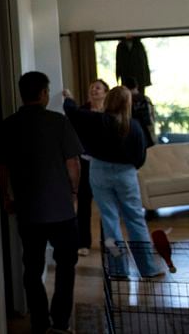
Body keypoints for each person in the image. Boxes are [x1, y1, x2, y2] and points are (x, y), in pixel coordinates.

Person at [0, 71, 82, 334]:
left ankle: (39, 323)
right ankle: (60, 322)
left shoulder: (8, 125)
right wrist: (74, 192)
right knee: (66, 266)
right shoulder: (59, 122)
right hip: (61, 209)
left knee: (32, 268)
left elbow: (2, 168)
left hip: (28, 209)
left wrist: (5, 197)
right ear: (44, 93)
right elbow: (73, 164)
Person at [63, 86, 164, 279]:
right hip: (126, 174)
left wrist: (68, 98)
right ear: (127, 104)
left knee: (110, 222)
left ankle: (118, 269)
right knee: (135, 220)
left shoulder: (96, 120)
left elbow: (73, 112)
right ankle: (148, 268)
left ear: (108, 101)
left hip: (99, 171)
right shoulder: (134, 126)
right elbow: (140, 158)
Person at [70, 78, 109, 257]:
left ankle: (108, 243)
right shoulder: (82, 111)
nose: (94, 90)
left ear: (105, 93)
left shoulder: (110, 112)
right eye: (92, 87)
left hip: (106, 164)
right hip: (86, 163)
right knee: (84, 204)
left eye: (98, 88)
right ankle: (83, 243)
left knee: (107, 206)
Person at [121, 75, 156, 147]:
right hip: (146, 133)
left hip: (132, 133)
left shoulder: (125, 101)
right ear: (137, 86)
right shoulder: (146, 99)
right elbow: (150, 118)